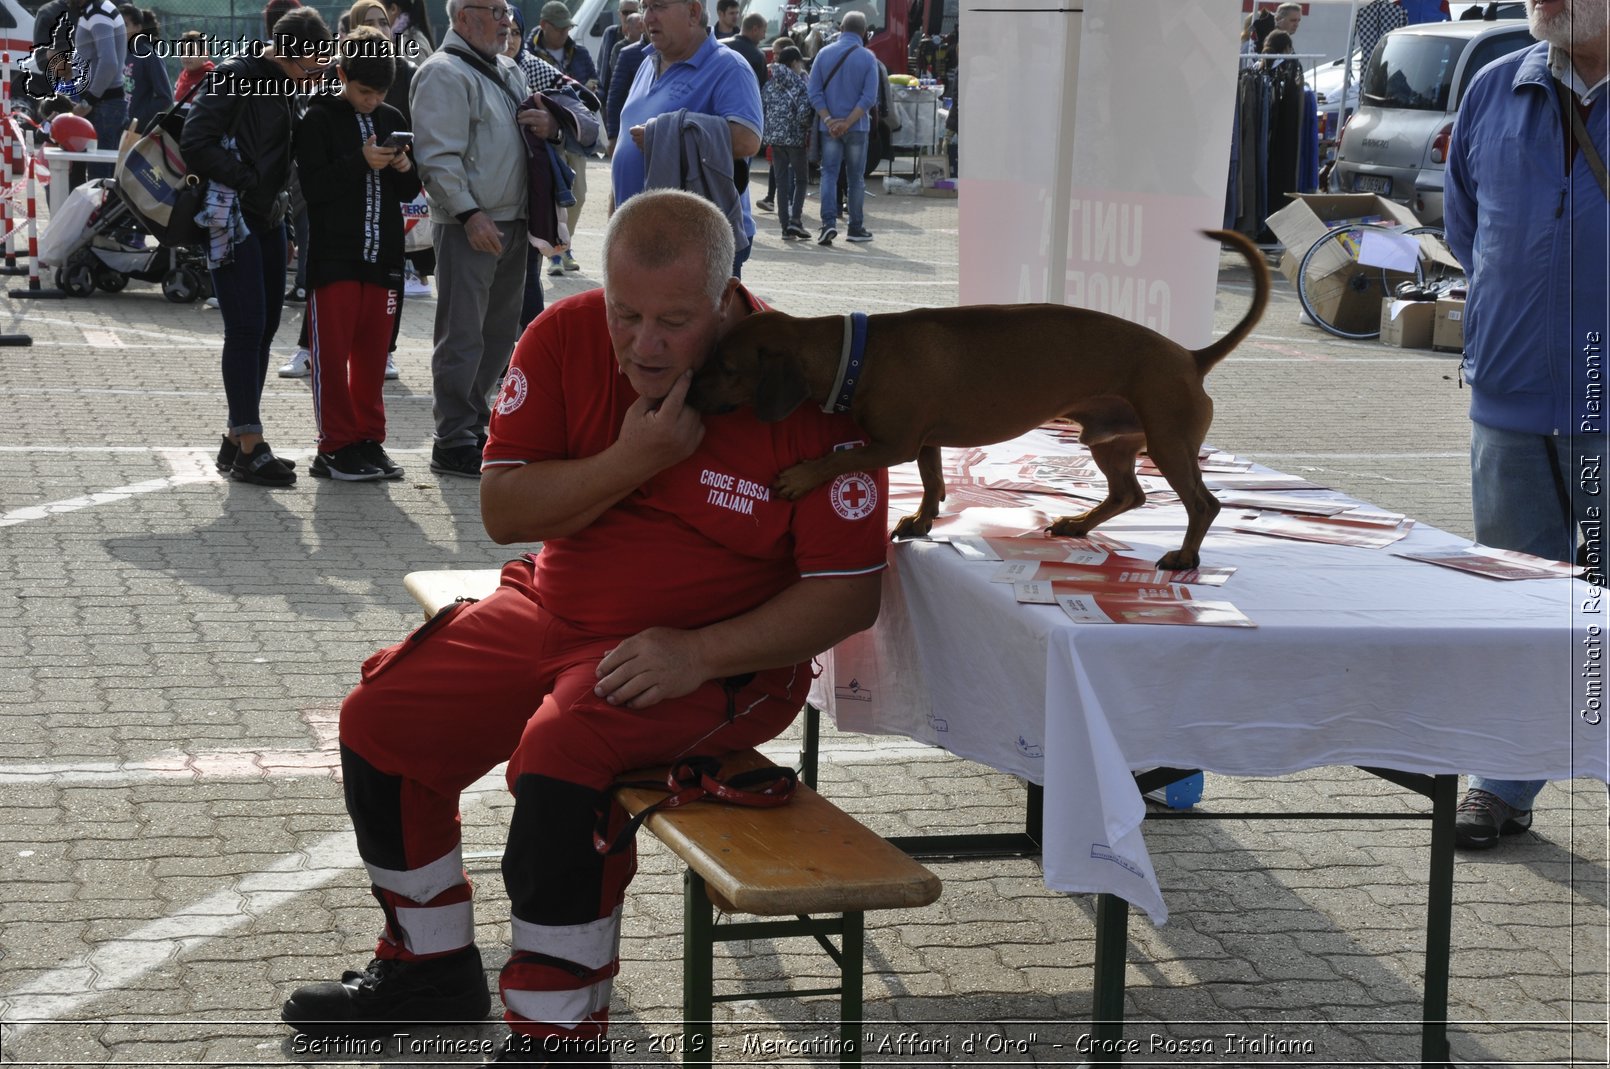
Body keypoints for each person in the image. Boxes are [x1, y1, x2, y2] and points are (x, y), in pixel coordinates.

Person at [276, 187, 888, 1063]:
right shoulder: (561, 335)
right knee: (381, 721)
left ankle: (559, 1037)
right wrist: (634, 457)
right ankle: (431, 966)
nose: (644, 342)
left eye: (674, 320)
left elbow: (847, 595)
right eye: (625, 313)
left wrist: (699, 651)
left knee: (563, 762)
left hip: (710, 657)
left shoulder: (807, 388)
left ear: (728, 299)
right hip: (551, 608)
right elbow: (501, 506)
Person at [1443, 0, 1607, 849]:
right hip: (1507, 398)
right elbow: (1466, 226)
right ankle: (1502, 782)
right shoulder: (1495, 85)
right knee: (1519, 603)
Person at [181, 6, 333, 487]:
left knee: (265, 328)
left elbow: (283, 160)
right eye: (310, 66)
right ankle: (250, 443)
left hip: (267, 218)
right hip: (230, 215)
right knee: (245, 328)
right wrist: (248, 183)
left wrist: (283, 219)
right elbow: (195, 140)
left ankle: (236, 436)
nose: (314, 77)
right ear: (287, 54)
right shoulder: (236, 75)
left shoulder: (287, 86)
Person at [411, 0, 558, 478]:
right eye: (494, 10)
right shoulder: (443, 73)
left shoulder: (508, 68)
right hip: (470, 226)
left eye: (506, 10)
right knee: (463, 336)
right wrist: (470, 214)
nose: (506, 19)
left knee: (497, 335)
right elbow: (436, 157)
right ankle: (452, 438)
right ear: (462, 18)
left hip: (513, 222)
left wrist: (548, 125)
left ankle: (475, 425)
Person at [294, 26, 420, 482]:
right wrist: (359, 162)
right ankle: (333, 447)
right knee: (331, 356)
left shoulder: (390, 117)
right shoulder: (319, 118)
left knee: (372, 358)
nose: (372, 100)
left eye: (380, 93)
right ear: (342, 75)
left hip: (384, 260)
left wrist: (405, 167)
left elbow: (410, 190)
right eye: (364, 91)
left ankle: (368, 440)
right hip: (334, 260)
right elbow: (314, 187)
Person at [612, 0, 762, 275]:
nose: (648, 17)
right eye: (645, 7)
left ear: (693, 12)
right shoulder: (648, 62)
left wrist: (668, 135)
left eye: (658, 6)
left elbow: (747, 140)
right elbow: (626, 144)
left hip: (697, 244)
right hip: (642, 238)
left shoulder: (729, 67)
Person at [532, 0, 598, 276]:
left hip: (576, 134)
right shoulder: (528, 53)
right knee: (554, 195)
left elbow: (595, 86)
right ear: (544, 25)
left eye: (567, 27)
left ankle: (563, 246)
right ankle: (556, 254)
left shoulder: (579, 52)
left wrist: (589, 93)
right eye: (560, 28)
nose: (564, 33)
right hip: (547, 135)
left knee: (579, 194)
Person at [807, 9, 880, 245]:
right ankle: (855, 228)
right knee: (856, 178)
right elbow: (869, 97)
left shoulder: (823, 54)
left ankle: (828, 224)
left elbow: (814, 92)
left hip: (829, 128)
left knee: (828, 174)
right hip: (857, 127)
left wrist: (829, 120)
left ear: (841, 29)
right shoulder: (868, 58)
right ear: (864, 32)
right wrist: (848, 122)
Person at [68, 0, 127, 178]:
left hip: (102, 104)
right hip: (101, 102)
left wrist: (89, 101)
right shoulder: (94, 11)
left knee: (99, 179)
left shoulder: (97, 13)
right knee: (92, 175)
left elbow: (109, 62)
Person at [760, 45, 812, 239]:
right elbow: (804, 113)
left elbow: (763, 108)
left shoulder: (769, 84)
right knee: (801, 179)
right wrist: (805, 127)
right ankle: (795, 220)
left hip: (775, 139)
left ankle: (784, 227)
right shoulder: (799, 84)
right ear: (794, 63)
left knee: (781, 182)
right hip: (795, 139)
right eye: (800, 63)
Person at [119, 5, 169, 134]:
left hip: (135, 132)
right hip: (115, 126)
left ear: (137, 28)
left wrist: (138, 121)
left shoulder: (149, 55)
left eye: (124, 24)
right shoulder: (118, 53)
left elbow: (165, 98)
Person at [595, 0, 639, 104]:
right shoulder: (610, 33)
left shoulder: (642, 38)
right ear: (619, 14)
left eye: (632, 12)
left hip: (630, 99)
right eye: (625, 12)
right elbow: (600, 66)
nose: (628, 16)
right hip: (608, 98)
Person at [724, 11, 770, 88]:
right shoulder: (758, 57)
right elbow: (760, 90)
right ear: (755, 30)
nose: (764, 37)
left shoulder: (719, 45)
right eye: (764, 31)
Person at [172, 30, 213, 108]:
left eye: (192, 52)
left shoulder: (211, 78)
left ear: (205, 54)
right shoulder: (182, 76)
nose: (186, 56)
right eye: (183, 52)